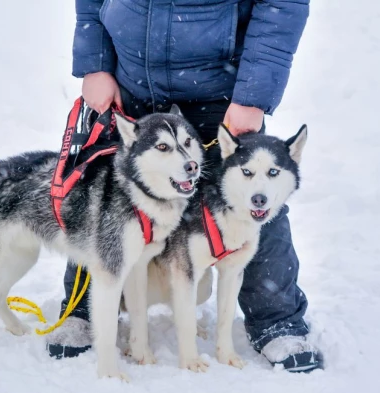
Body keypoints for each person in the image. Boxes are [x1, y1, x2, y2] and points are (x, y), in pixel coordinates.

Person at [46, 0, 323, 372]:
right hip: (132, 81)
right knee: (105, 194)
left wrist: (253, 95)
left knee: (251, 198)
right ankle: (84, 307)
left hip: (219, 89)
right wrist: (95, 62)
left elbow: (281, 5)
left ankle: (276, 319)